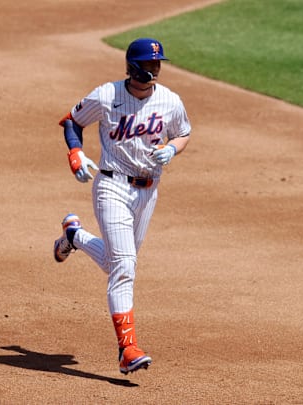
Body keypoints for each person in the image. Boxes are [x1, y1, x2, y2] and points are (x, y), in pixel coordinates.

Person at [53, 38, 191, 375]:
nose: (156, 70)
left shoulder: (169, 101)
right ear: (134, 67)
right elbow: (72, 120)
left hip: (147, 193)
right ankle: (127, 349)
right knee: (125, 267)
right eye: (150, 64)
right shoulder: (107, 96)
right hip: (112, 186)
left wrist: (172, 149)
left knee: (119, 264)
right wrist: (75, 154)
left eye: (159, 64)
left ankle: (74, 236)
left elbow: (184, 132)